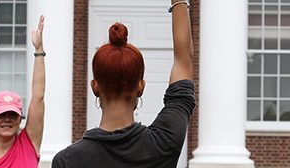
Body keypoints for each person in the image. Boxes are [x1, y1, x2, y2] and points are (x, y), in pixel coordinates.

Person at [51, 0, 195, 167]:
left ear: (94, 86)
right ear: (141, 86)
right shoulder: (164, 143)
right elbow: (184, 60)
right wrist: (179, 2)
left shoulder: (67, 161)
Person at [0, 15, 46, 168]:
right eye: (1, 114)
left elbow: (38, 97)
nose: (7, 119)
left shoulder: (28, 144)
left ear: (20, 119)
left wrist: (39, 50)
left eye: (13, 114)